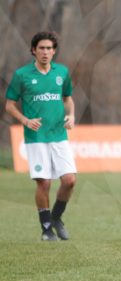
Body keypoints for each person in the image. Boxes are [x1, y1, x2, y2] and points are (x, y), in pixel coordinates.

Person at [5, 31, 77, 241]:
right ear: (33, 50)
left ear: (54, 51)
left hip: (59, 135)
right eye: (41, 48)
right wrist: (25, 120)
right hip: (36, 138)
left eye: (49, 48)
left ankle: (56, 217)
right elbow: (9, 106)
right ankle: (46, 229)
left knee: (70, 180)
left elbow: (68, 99)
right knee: (43, 183)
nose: (45, 52)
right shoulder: (22, 75)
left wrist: (71, 115)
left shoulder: (62, 72)